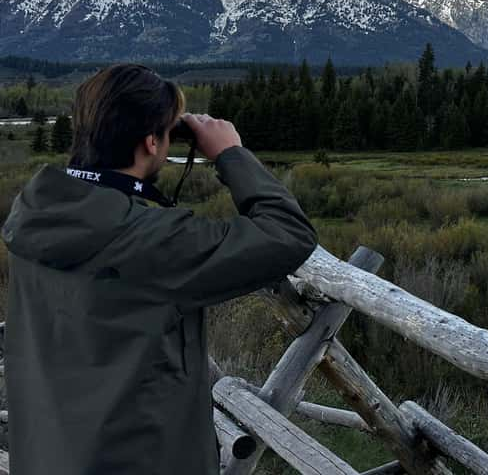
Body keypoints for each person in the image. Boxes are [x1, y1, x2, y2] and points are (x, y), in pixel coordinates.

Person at [2, 64, 318, 474]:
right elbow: (289, 234)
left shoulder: (36, 211)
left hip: (48, 457)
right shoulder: (149, 238)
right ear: (152, 141)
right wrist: (230, 154)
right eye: (169, 133)